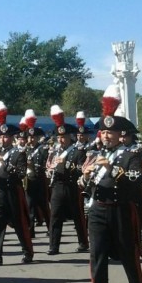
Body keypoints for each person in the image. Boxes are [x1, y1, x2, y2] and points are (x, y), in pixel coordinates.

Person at [80, 84, 142, 283]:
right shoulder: (95, 154)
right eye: (104, 132)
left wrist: (112, 169)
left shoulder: (131, 155)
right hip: (98, 208)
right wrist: (85, 176)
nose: (107, 136)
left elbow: (136, 179)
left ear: (120, 135)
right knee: (96, 254)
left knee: (128, 252)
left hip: (120, 209)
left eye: (111, 132)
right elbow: (86, 185)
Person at [0, 101, 34, 266]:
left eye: (6, 136)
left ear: (12, 138)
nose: (3, 139)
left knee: (19, 223)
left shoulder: (18, 153)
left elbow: (20, 174)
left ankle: (28, 251)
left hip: (13, 191)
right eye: (1, 136)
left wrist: (4, 163)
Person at [45, 106, 88, 254]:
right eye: (59, 137)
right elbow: (50, 166)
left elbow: (81, 169)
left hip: (72, 186)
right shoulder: (55, 151)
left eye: (63, 137)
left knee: (78, 216)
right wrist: (50, 170)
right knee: (55, 216)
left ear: (70, 137)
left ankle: (83, 242)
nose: (61, 140)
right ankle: (54, 246)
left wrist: (66, 165)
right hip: (58, 185)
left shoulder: (78, 151)